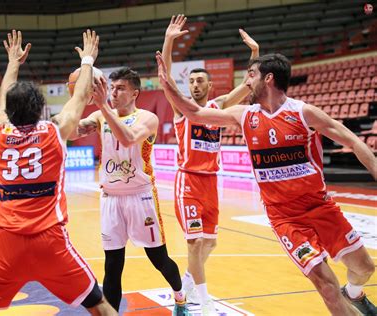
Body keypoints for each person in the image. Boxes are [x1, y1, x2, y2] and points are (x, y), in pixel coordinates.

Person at [156, 51, 377, 316]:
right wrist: (166, 82)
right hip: (285, 217)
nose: (246, 82)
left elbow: (353, 141)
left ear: (268, 79)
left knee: (365, 267)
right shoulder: (244, 115)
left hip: (320, 206)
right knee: (326, 285)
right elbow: (194, 112)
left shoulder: (303, 113)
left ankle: (353, 292)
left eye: (251, 75)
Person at [0, 29, 116, 316]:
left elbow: (3, 99)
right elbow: (79, 98)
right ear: (41, 107)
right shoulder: (55, 131)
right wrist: (88, 59)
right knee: (98, 304)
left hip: (8, 244)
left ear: (8, 113)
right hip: (50, 242)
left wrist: (13, 62)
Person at [69, 67, 189, 316]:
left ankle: (180, 297)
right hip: (111, 198)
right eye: (112, 88)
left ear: (135, 93)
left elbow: (128, 138)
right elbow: (70, 132)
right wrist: (76, 98)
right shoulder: (101, 116)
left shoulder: (147, 118)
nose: (114, 92)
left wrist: (103, 108)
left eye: (120, 88)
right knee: (112, 265)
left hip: (141, 196)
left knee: (159, 259)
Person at [161, 14, 259, 314]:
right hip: (188, 182)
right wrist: (168, 41)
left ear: (210, 85)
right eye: (190, 81)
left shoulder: (218, 107)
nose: (194, 85)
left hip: (211, 183)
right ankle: (202, 304)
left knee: (210, 244)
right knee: (194, 244)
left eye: (199, 80)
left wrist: (255, 54)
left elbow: (248, 85)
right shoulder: (183, 108)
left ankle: (186, 285)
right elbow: (165, 78)